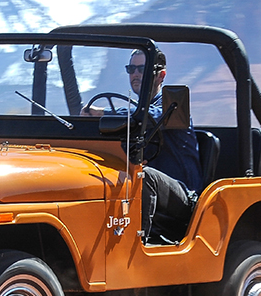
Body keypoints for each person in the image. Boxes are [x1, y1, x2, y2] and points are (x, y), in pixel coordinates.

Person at [83, 49, 202, 244]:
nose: (135, 74)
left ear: (161, 75)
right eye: (131, 69)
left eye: (141, 69)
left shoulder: (172, 107)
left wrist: (102, 113)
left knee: (143, 176)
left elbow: (149, 117)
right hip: (153, 193)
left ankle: (135, 246)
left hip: (184, 199)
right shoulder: (134, 116)